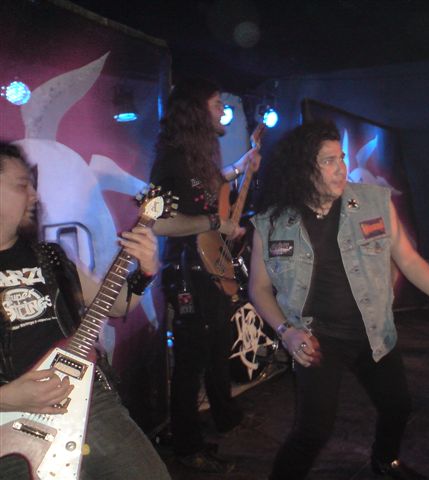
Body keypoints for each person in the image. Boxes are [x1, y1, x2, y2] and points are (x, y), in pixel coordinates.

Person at [248, 120, 429, 480]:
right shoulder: (272, 223)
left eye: (341, 158)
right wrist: (286, 332)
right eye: (329, 161)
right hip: (316, 339)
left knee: (398, 407)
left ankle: (385, 461)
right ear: (303, 168)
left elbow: (408, 259)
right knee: (313, 431)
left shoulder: (373, 202)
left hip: (373, 330)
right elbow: (259, 288)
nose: (342, 168)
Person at [0, 142, 171, 479]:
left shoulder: (49, 256)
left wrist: (146, 271)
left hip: (87, 399)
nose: (34, 195)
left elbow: (118, 303)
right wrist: (7, 397)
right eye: (21, 185)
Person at [150, 77, 261, 473]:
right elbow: (156, 222)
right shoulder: (171, 160)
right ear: (197, 111)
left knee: (217, 349)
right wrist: (216, 223)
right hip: (187, 272)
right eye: (216, 104)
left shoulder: (197, 157)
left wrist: (241, 166)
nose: (223, 110)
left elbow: (210, 184)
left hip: (210, 267)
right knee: (191, 361)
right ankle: (186, 445)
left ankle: (226, 416)